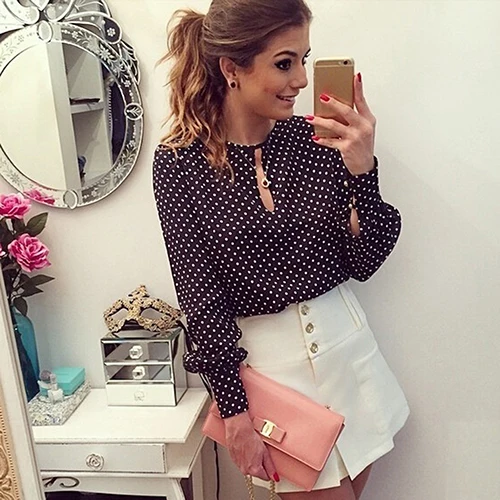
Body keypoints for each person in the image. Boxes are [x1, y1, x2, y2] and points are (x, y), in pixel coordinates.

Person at [153, 1, 410, 498]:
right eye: (284, 62)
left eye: (304, 60)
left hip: (351, 358)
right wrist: (234, 411)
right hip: (275, 383)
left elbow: (365, 261)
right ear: (232, 68)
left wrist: (363, 170)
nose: (301, 79)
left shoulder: (315, 142)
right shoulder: (179, 165)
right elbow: (200, 298)